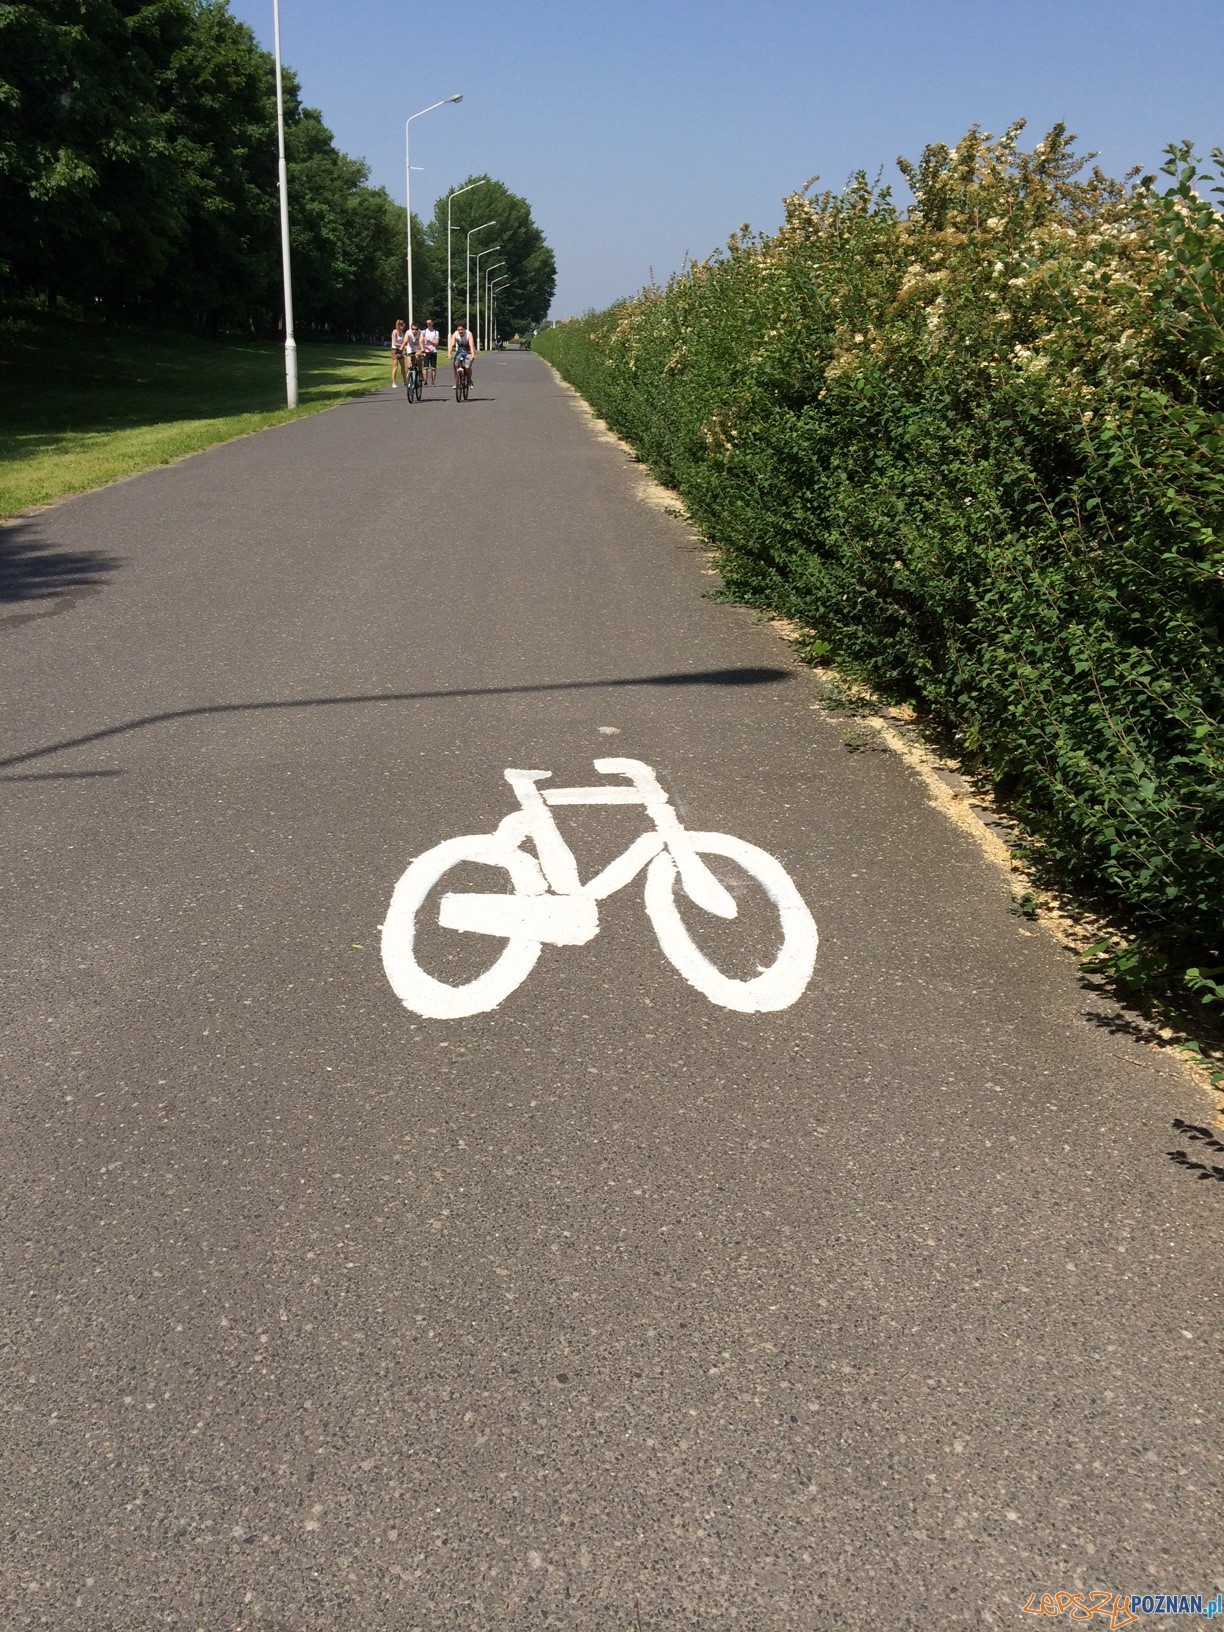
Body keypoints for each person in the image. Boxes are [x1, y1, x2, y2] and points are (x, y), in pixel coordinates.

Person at [449, 320, 475, 389]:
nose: (460, 331)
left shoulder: (469, 334)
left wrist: (472, 355)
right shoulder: (455, 334)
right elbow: (451, 345)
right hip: (460, 351)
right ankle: (456, 382)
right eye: (458, 330)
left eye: (461, 329)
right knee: (456, 364)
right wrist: (449, 354)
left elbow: (471, 345)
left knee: (467, 366)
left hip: (468, 351)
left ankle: (469, 380)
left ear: (464, 329)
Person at [389, 319, 409, 389]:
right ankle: (393, 382)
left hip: (400, 350)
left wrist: (405, 346)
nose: (403, 327)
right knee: (395, 366)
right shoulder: (395, 332)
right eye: (402, 326)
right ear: (399, 325)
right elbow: (395, 343)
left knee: (403, 366)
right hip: (394, 350)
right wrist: (402, 345)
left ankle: (404, 380)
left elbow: (404, 342)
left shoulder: (402, 333)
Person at [404, 321, 425, 388]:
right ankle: (409, 377)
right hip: (410, 349)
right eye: (413, 329)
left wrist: (423, 351)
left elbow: (421, 342)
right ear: (411, 328)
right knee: (409, 365)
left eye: (416, 329)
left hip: (418, 348)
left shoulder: (421, 332)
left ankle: (420, 372)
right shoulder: (408, 333)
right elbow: (405, 341)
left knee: (418, 357)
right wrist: (400, 350)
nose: (415, 330)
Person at [422, 318, 440, 384]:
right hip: (426, 351)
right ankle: (425, 381)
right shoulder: (424, 332)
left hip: (434, 351)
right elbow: (423, 342)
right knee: (425, 367)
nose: (428, 324)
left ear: (432, 323)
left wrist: (429, 340)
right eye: (427, 323)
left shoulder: (436, 332)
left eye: (429, 323)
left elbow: (436, 343)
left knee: (433, 368)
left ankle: (433, 381)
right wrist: (428, 347)